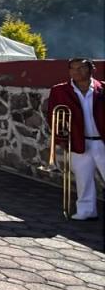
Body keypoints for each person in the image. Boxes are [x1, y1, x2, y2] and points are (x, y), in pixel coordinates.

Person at [46, 58, 105, 221]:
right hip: (78, 142)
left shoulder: (103, 88)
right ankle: (86, 211)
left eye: (81, 68)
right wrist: (61, 139)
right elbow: (53, 117)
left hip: (102, 142)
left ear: (91, 69)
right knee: (83, 179)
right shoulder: (59, 91)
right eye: (72, 68)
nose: (76, 71)